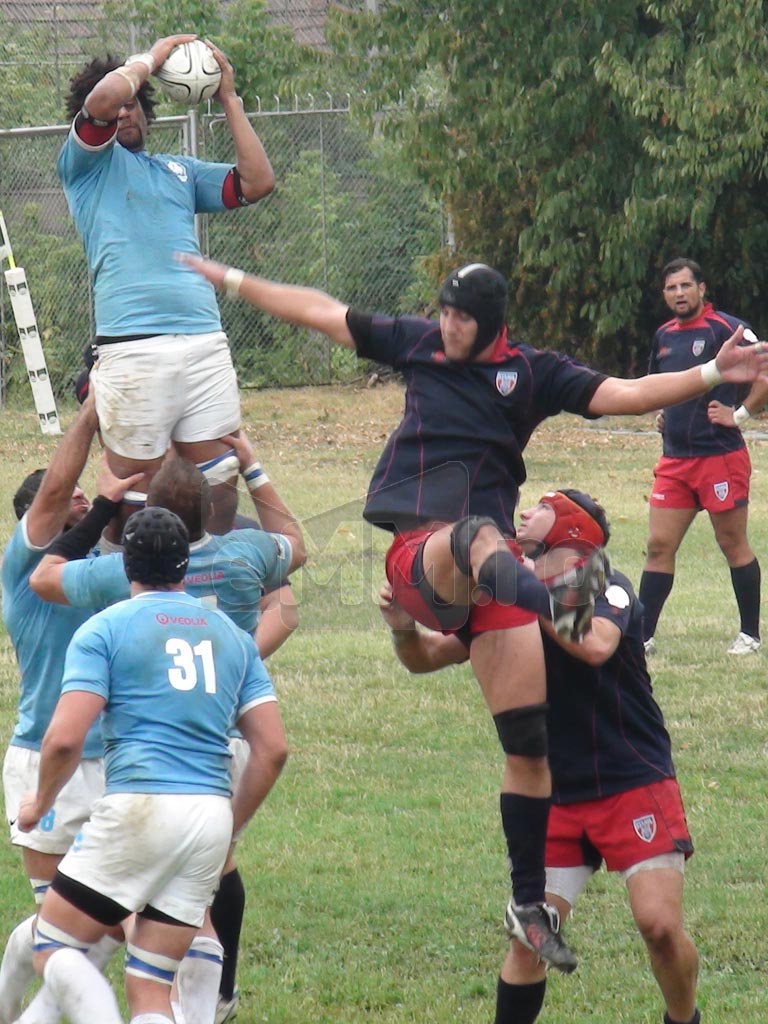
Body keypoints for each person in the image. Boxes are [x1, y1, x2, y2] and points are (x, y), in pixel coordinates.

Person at [177, 253, 768, 974]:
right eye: (444, 312)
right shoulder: (416, 340)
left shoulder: (534, 371)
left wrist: (713, 374)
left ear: (492, 326)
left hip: (495, 578)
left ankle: (528, 904)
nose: (447, 326)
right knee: (477, 536)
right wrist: (231, 280)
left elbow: (629, 392)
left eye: (460, 317)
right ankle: (544, 599)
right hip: (425, 554)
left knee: (527, 746)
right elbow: (317, 309)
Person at [380, 488, 701, 1024]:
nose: (525, 512)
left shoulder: (607, 581)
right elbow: (425, 659)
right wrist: (402, 627)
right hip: (549, 792)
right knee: (530, 942)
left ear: (574, 525)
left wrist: (523, 593)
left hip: (631, 780)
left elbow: (595, 644)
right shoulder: (503, 597)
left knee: (660, 928)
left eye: (543, 505)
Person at [29, 433, 305, 1024]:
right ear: (206, 516)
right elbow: (275, 746)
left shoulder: (106, 606)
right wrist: (253, 466)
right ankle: (212, 1004)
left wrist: (104, 504)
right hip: (215, 777)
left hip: (144, 789)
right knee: (154, 975)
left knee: (51, 944)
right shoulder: (240, 583)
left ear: (125, 557)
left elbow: (46, 581)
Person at [58, 33, 276, 534]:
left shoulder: (180, 171)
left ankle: (208, 587)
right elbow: (101, 102)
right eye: (121, 106)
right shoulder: (86, 166)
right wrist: (154, 57)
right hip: (133, 346)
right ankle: (127, 581)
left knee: (218, 482)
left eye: (136, 105)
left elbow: (257, 180)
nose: (126, 112)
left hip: (203, 339)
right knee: (135, 490)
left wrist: (228, 98)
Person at [0, 396, 138, 1024]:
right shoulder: (23, 568)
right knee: (61, 933)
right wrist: (88, 412)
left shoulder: (100, 571)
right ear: (34, 522)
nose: (85, 502)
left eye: (91, 498)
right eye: (73, 501)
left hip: (112, 762)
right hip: (43, 762)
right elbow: (59, 490)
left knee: (105, 925)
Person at [639, 257, 767, 656]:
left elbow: (764, 373)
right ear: (664, 295)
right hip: (675, 460)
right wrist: (665, 411)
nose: (679, 293)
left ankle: (749, 635)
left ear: (701, 289)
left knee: (732, 542)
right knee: (659, 545)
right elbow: (660, 382)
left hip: (720, 458)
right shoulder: (663, 335)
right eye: (671, 288)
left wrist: (740, 415)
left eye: (685, 286)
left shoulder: (728, 330)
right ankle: (641, 637)